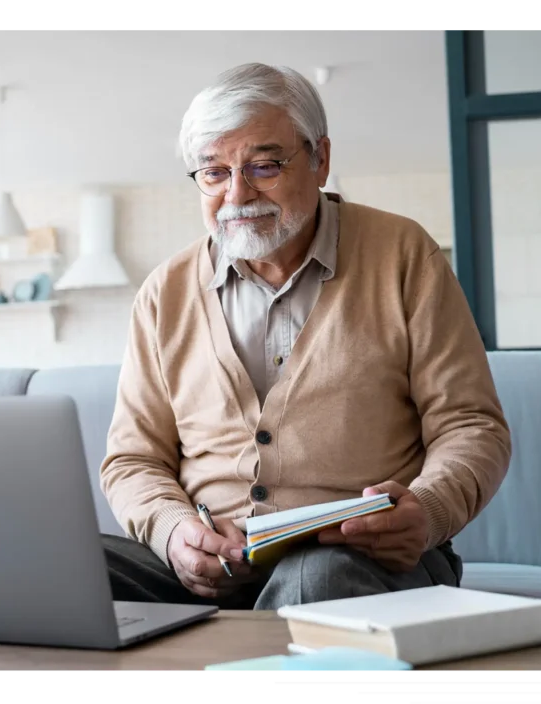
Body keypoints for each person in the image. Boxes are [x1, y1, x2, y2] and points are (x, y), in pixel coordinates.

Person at [99, 62, 512, 610]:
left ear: (320, 159)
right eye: (214, 173)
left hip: (365, 557)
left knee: (312, 580)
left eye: (264, 166)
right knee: (66, 568)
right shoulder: (163, 293)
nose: (237, 194)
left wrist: (427, 509)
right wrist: (175, 533)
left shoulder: (404, 256)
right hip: (210, 565)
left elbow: (471, 425)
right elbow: (132, 461)